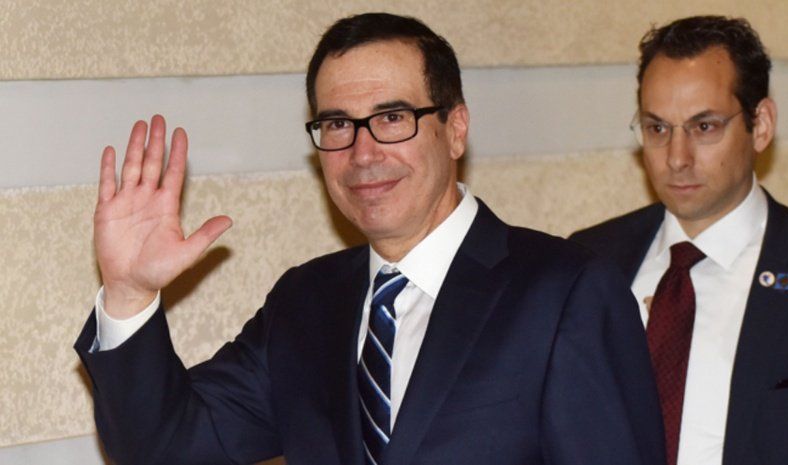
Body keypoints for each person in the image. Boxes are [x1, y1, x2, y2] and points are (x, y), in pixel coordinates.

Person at [75, 13, 664, 465]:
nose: (362, 153)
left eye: (391, 118)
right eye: (337, 124)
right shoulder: (304, 302)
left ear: (455, 128)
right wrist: (129, 293)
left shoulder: (566, 291)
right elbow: (166, 447)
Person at [571, 15, 788, 465]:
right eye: (657, 129)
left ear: (761, 125)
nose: (676, 158)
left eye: (704, 127)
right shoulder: (587, 261)